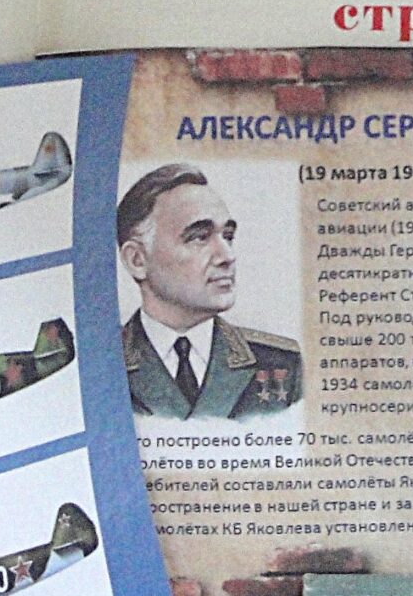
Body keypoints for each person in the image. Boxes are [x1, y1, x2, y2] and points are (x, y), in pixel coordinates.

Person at [116, 163, 302, 418]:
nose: (227, 256)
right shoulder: (101, 362)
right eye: (199, 237)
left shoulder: (282, 365)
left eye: (228, 236)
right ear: (137, 260)